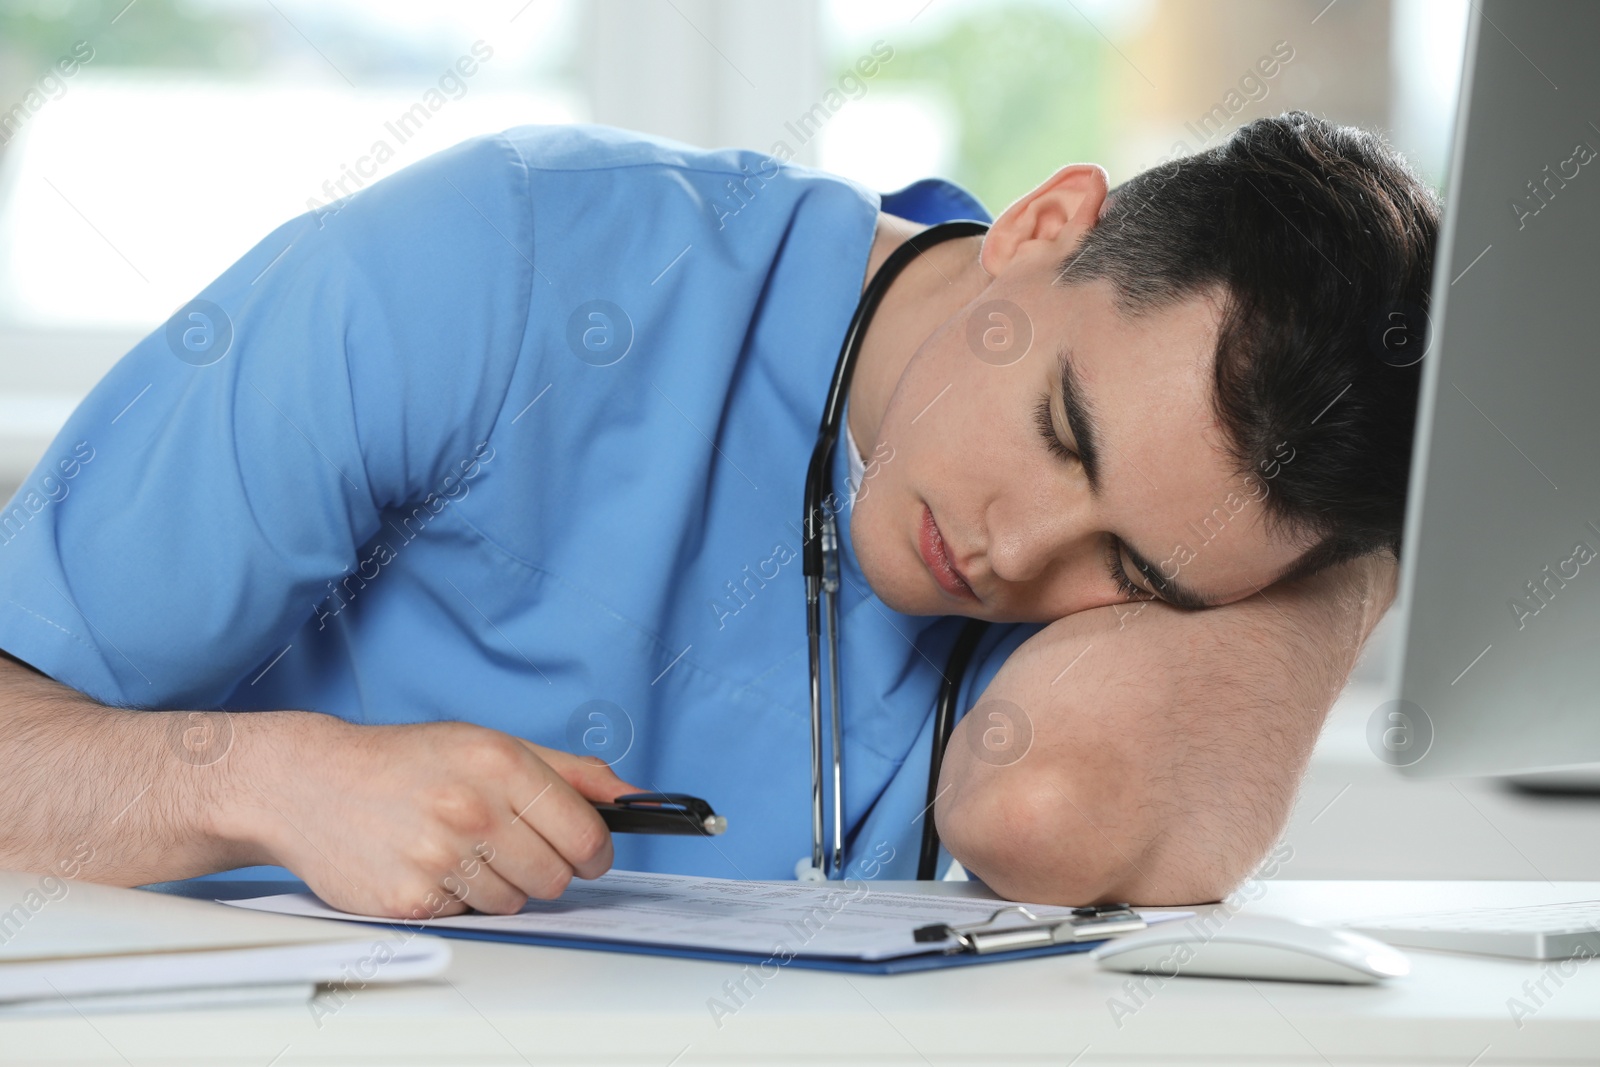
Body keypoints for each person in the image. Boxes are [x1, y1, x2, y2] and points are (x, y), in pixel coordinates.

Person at [0, 112, 1435, 919]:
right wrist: (270, 783)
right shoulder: (492, 263)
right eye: (1062, 434)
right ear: (1042, 226)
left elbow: (1050, 813)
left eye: (1135, 571)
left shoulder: (1173, 548)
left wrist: (1381, 527)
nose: (1019, 556)